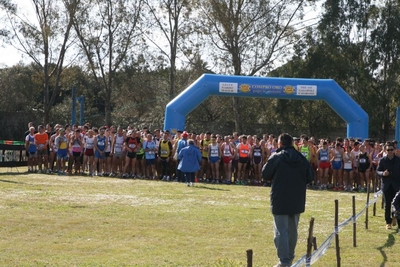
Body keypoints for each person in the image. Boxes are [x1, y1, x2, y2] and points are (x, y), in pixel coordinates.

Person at [262, 133, 314, 267]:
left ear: (279, 144)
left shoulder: (276, 157)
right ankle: (289, 258)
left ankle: (284, 261)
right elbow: (310, 176)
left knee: (281, 231)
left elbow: (265, 174)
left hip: (280, 198)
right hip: (297, 198)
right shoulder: (301, 158)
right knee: (292, 230)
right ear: (292, 144)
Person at [376, 142, 400, 230]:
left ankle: (396, 218)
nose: (389, 151)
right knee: (387, 204)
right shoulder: (382, 160)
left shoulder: (398, 160)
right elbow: (377, 171)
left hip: (396, 185)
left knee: (397, 204)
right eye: (388, 150)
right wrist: (383, 173)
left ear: (394, 150)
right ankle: (388, 222)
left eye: (391, 149)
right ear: (385, 150)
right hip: (386, 185)